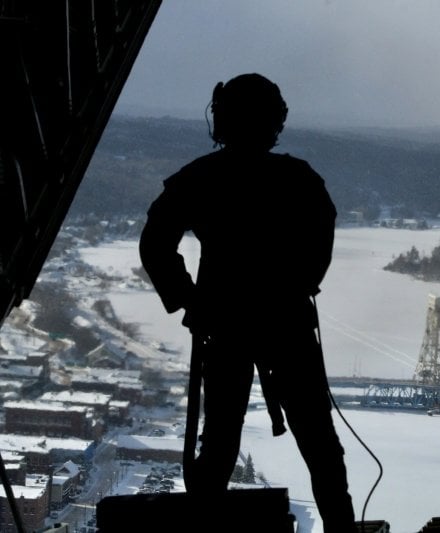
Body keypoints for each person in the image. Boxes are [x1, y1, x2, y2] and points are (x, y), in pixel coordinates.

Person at [139, 72, 358, 533]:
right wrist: (294, 288)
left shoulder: (199, 178)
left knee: (217, 444)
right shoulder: (298, 179)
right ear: (274, 122)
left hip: (224, 324)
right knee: (319, 444)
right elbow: (321, 240)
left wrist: (188, 301)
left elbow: (156, 243)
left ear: (221, 120)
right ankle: (341, 530)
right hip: (285, 323)